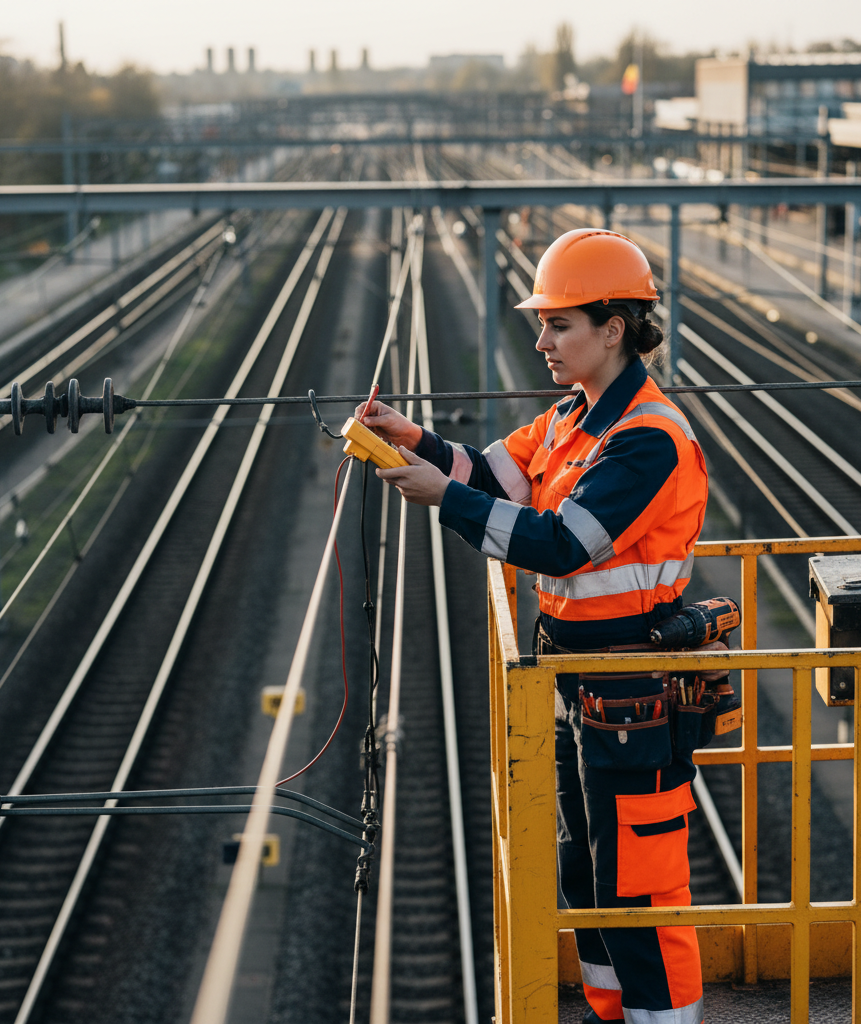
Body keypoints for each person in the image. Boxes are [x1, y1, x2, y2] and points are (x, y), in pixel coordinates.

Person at [357, 228, 709, 1024]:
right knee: (584, 868)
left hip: (632, 686)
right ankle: (609, 1010)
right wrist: (417, 440)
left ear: (612, 329)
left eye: (558, 324)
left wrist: (444, 498)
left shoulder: (647, 439)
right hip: (579, 683)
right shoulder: (571, 420)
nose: (541, 340)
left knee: (638, 885)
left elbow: (560, 544)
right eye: (542, 324)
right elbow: (497, 476)